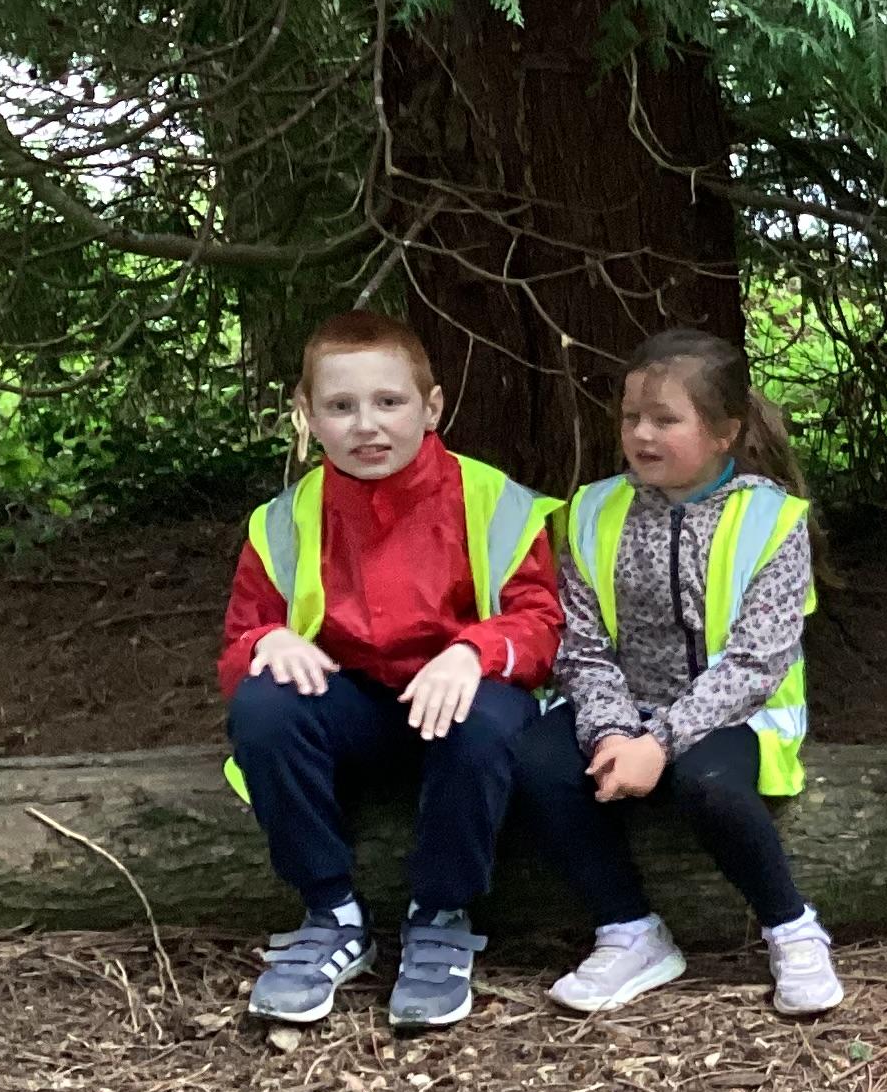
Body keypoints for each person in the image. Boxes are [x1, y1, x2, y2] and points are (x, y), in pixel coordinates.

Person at [219, 312, 560, 1032]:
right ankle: (331, 914)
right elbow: (240, 638)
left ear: (431, 408)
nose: (366, 425)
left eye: (389, 402)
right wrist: (267, 643)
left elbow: (540, 622)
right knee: (263, 705)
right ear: (307, 414)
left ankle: (440, 916)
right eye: (341, 406)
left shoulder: (492, 500)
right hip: (352, 707)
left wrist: (474, 651)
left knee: (485, 714)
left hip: (458, 706)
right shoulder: (282, 519)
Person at [508, 330, 841, 1020]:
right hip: (619, 707)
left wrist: (658, 744)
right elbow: (581, 641)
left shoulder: (773, 521)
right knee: (536, 760)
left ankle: (791, 926)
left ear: (724, 432)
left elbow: (756, 660)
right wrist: (611, 733)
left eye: (665, 419)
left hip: (732, 714)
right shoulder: (592, 510)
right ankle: (629, 929)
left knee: (708, 784)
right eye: (632, 417)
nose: (641, 435)